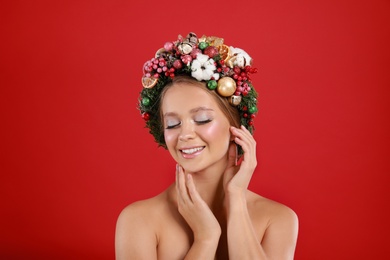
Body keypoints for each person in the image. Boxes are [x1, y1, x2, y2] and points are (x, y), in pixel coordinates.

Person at [115, 32, 298, 259]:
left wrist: (237, 199)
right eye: (172, 124)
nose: (185, 134)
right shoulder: (138, 220)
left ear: (235, 127)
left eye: (202, 120)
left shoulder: (278, 219)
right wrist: (206, 238)